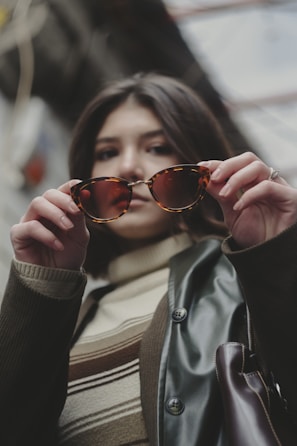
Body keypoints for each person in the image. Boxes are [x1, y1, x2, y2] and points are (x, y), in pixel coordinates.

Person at [1, 73, 297, 446]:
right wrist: (40, 286)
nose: (127, 167)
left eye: (156, 147)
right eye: (107, 153)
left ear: (198, 165)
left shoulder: (249, 275)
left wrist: (279, 254)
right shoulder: (67, 317)